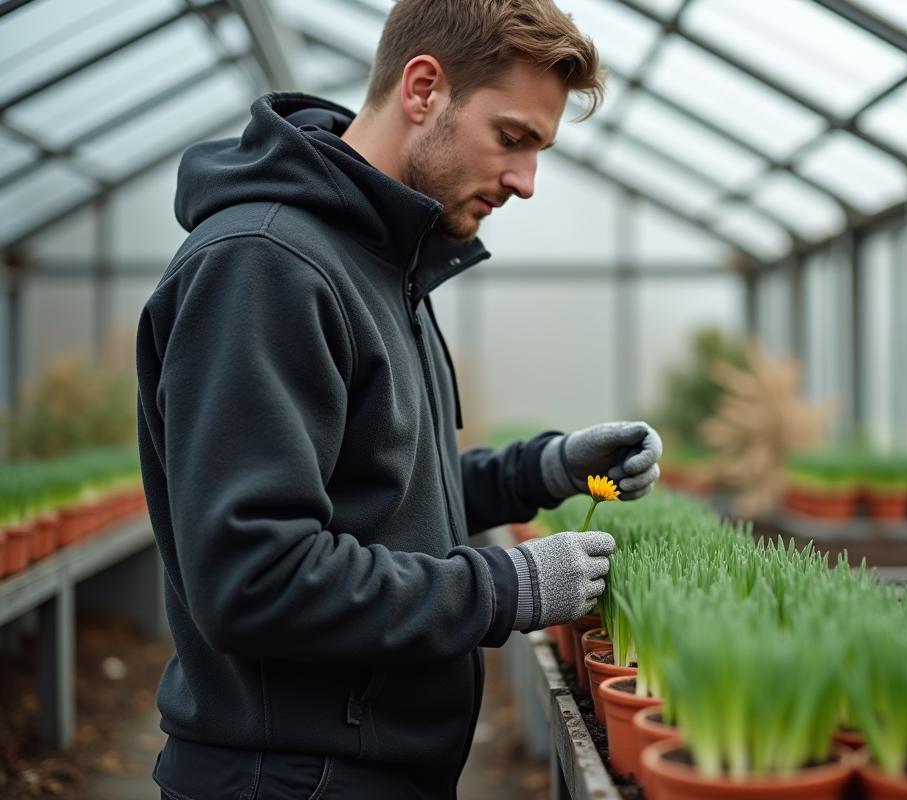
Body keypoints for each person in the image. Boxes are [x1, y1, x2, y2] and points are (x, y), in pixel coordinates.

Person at [135, 1, 662, 797]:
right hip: (293, 778)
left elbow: (388, 495)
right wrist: (506, 586)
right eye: (512, 138)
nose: (525, 182)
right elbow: (255, 578)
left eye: (539, 150)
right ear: (423, 89)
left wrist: (547, 467)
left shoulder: (381, 260)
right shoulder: (266, 265)